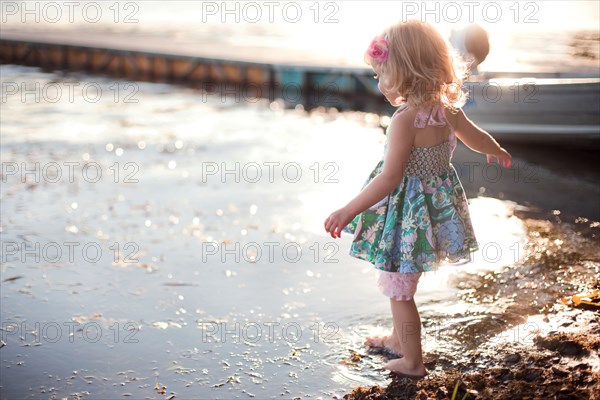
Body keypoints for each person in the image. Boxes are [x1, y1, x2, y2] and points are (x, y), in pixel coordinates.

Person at [323, 20, 512, 378]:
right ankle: (398, 338)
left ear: (405, 73)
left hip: (407, 217)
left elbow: (390, 178)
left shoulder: (405, 120)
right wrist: (496, 149)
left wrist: (347, 210)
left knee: (398, 290)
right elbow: (476, 137)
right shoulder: (447, 109)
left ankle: (412, 362)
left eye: (382, 74)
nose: (379, 84)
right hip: (436, 211)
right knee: (406, 281)